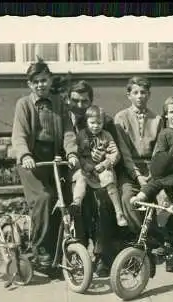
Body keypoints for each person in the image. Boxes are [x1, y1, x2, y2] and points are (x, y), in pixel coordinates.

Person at [11, 59, 73, 273]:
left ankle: (56, 255)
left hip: (53, 159)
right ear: (30, 84)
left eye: (44, 80)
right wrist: (25, 154)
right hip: (32, 162)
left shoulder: (59, 104)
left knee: (62, 200)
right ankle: (39, 249)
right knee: (43, 199)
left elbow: (67, 131)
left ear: (50, 80)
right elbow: (19, 135)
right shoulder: (23, 105)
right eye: (35, 81)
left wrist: (71, 152)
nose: (40, 85)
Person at [61, 80, 123, 277]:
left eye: (84, 101)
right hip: (76, 173)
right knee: (79, 207)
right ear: (68, 100)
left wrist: (104, 160)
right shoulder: (65, 119)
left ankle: (102, 255)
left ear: (91, 101)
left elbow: (116, 150)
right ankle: (79, 255)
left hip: (101, 173)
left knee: (104, 203)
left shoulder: (105, 122)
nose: (80, 105)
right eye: (75, 100)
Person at [114, 76, 165, 234]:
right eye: (135, 92)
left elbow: (159, 149)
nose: (139, 96)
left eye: (143, 92)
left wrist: (151, 173)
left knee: (163, 200)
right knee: (128, 198)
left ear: (149, 94)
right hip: (130, 170)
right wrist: (137, 175)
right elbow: (124, 151)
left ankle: (163, 240)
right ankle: (145, 238)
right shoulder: (120, 118)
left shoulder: (157, 119)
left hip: (151, 170)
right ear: (128, 95)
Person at [71, 105, 128, 227]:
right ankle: (76, 203)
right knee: (80, 179)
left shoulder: (106, 135)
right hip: (86, 168)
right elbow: (78, 153)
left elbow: (115, 153)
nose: (95, 126)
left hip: (101, 168)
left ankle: (119, 212)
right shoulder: (81, 135)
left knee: (109, 179)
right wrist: (85, 165)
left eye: (99, 123)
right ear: (86, 122)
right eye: (92, 123)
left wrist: (106, 163)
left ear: (103, 123)